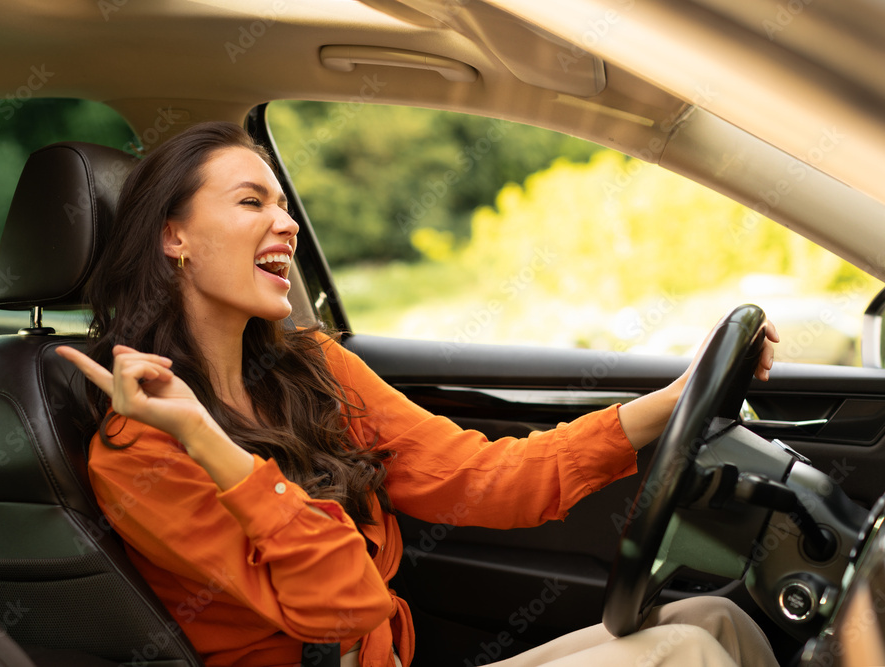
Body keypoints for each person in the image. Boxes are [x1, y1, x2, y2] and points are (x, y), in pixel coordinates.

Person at [56, 121, 781, 667]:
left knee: (718, 622)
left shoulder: (313, 370)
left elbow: (483, 478)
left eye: (284, 204)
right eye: (253, 201)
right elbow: (345, 604)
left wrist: (677, 399)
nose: (288, 223)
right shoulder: (136, 451)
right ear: (173, 237)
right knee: (685, 653)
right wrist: (216, 447)